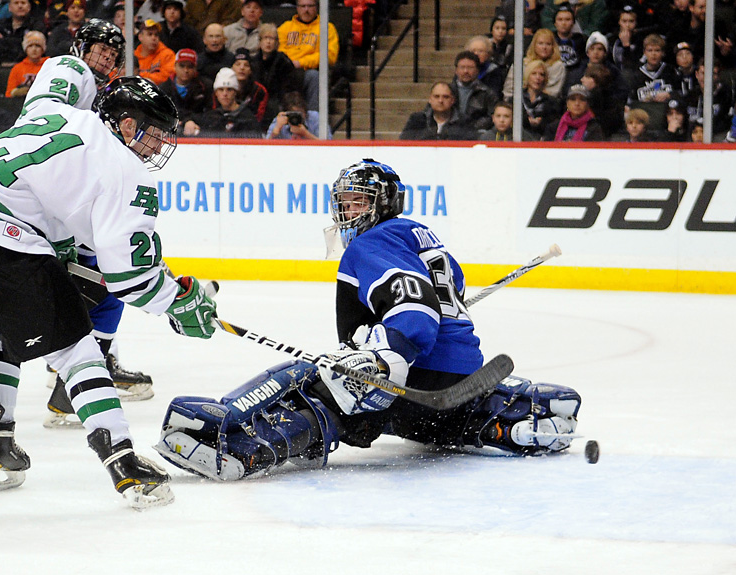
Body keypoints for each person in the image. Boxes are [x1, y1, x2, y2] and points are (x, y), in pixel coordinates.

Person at [153, 159, 583, 481]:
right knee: (416, 406)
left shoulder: (372, 242)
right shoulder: (420, 236)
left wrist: (382, 360)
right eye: (344, 201)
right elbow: (444, 298)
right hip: (459, 382)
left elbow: (413, 308)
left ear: (384, 204)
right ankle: (503, 416)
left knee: (313, 380)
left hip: (412, 376)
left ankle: (232, 435)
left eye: (359, 201)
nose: (347, 210)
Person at [0, 70, 214, 508]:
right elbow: (130, 277)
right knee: (77, 347)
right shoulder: (126, 170)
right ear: (127, 124)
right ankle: (124, 464)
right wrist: (180, 300)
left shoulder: (56, 111)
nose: (160, 146)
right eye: (156, 134)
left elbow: (61, 72)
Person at [277, 0, 338, 111]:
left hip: (309, 71)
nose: (306, 10)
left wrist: (301, 62)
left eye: (310, 6)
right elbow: (279, 51)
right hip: (287, 71)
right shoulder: (285, 27)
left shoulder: (327, 28)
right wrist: (290, 63)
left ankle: (313, 117)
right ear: (297, 8)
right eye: (303, 6)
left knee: (314, 76)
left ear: (316, 8)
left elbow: (329, 56)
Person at [186, 66, 260, 137]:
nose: (225, 94)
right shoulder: (211, 116)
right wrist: (188, 122)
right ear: (216, 93)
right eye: (221, 89)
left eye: (229, 89)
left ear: (235, 92)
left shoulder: (248, 118)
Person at [252, 21, 297, 127]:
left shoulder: (283, 61)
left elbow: (286, 88)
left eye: (272, 38)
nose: (268, 42)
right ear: (260, 41)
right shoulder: (253, 61)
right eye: (265, 38)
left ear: (277, 43)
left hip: (276, 100)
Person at [502, 28, 564, 101]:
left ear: (553, 47)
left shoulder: (557, 66)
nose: (544, 47)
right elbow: (509, 89)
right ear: (534, 45)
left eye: (548, 44)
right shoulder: (521, 63)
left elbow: (552, 93)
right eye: (540, 43)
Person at [399, 81, 474, 140]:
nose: (440, 101)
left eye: (445, 97)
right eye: (436, 96)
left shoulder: (464, 121)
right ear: (430, 99)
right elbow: (404, 141)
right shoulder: (417, 119)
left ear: (452, 100)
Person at [159, 47, 211, 129]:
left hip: (198, 129)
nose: (186, 70)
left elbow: (211, 114)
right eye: (182, 66)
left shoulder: (204, 86)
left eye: (190, 66)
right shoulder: (164, 88)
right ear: (175, 66)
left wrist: (190, 121)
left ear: (195, 68)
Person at [0, 0, 44, 66]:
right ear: (9, 7)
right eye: (16, 3)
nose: (20, 6)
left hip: (27, 66)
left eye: (23, 3)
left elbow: (31, 49)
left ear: (29, 7)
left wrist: (3, 41)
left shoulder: (36, 25)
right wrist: (20, 41)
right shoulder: (0, 24)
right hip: (0, 66)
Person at [451, 50, 497, 133]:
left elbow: (492, 116)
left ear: (477, 70)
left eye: (470, 68)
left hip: (477, 134)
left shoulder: (487, 93)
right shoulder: (447, 91)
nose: (466, 71)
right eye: (462, 67)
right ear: (456, 70)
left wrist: (472, 127)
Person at [518, 59, 561, 140]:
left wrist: (541, 123)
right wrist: (527, 122)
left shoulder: (552, 102)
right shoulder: (516, 99)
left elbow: (554, 125)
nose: (538, 77)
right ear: (527, 75)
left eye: (542, 74)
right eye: (534, 73)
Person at [5, 29, 46, 96]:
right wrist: (16, 92)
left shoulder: (50, 65)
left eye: (37, 46)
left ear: (43, 49)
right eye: (30, 46)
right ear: (25, 49)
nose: (34, 49)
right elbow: (8, 94)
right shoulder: (17, 68)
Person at [135, 18, 175, 85]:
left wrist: (140, 76)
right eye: (150, 34)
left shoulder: (167, 55)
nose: (154, 38)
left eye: (156, 35)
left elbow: (167, 78)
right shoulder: (133, 56)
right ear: (140, 37)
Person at [231, 47, 266, 123]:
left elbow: (259, 117)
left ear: (250, 70)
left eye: (246, 65)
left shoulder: (259, 90)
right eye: (238, 64)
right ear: (231, 68)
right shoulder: (223, 88)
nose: (242, 68)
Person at [464, 35, 504, 99]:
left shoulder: (494, 71)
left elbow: (494, 95)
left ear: (488, 54)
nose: (476, 54)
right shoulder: (462, 71)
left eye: (480, 51)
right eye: (473, 51)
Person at [196, 22, 235, 88]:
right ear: (204, 40)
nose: (214, 40)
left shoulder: (231, 58)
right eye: (211, 36)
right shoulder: (198, 60)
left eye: (218, 36)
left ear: (224, 39)